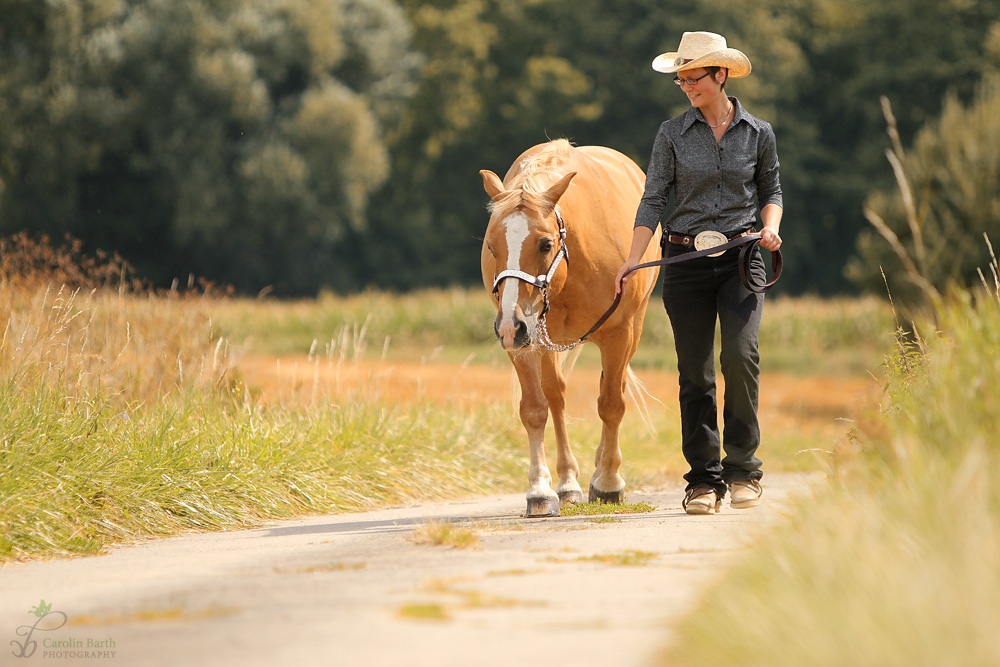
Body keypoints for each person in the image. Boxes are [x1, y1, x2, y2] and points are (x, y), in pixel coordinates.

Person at [615, 31, 783, 515]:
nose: (686, 85)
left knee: (740, 354)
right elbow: (652, 199)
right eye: (681, 79)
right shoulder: (671, 133)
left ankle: (744, 468)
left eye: (693, 77)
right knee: (695, 372)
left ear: (720, 75)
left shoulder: (758, 133)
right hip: (685, 262)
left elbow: (771, 190)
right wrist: (632, 257)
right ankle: (704, 481)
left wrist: (770, 229)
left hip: (742, 258)